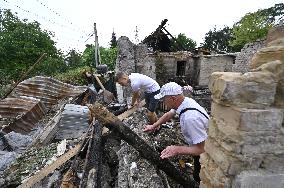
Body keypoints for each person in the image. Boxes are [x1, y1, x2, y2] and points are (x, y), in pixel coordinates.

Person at [143, 82, 209, 183]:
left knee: (199, 177)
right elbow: (169, 114)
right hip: (200, 142)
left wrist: (177, 149)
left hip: (206, 152)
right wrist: (153, 126)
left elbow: (202, 149)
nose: (163, 102)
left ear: (173, 98)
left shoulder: (190, 118)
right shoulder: (184, 102)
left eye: (164, 99)